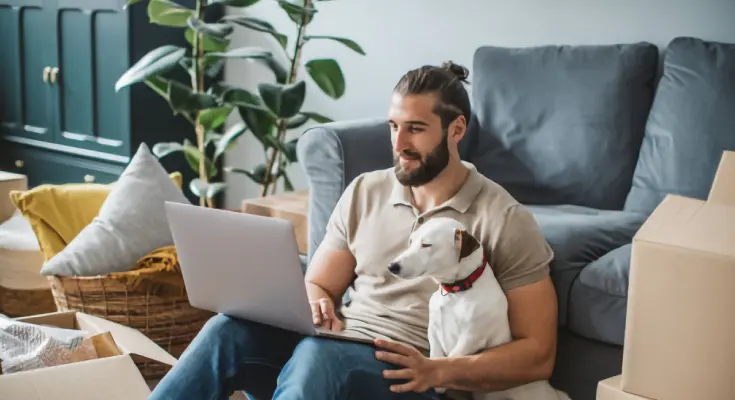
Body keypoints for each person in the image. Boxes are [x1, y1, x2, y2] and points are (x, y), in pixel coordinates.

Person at [148, 61, 558, 400]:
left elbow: (538, 355)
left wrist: (438, 370)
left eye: (415, 128)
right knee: (227, 331)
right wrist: (316, 302)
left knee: (317, 355)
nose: (399, 143)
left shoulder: (503, 218)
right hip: (339, 345)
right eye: (393, 126)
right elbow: (319, 284)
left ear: (456, 129)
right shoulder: (367, 190)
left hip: (415, 376)